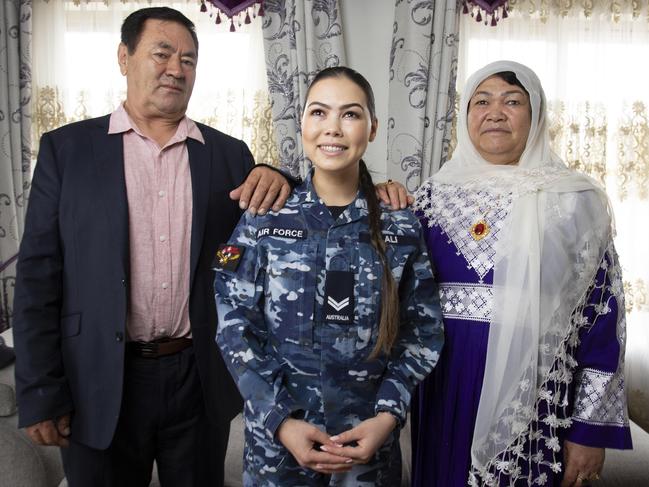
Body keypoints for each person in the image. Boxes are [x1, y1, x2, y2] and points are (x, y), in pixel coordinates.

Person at [12, 7, 299, 487]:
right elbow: (39, 277)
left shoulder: (229, 154)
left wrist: (281, 176)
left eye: (188, 60)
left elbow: (275, 234)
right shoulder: (67, 151)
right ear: (124, 58)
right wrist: (40, 391)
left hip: (197, 376)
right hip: (98, 378)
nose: (176, 69)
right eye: (161, 54)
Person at [213, 66, 444, 486]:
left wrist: (388, 416)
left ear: (372, 128)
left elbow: (421, 332)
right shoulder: (264, 219)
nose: (332, 129)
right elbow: (235, 330)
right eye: (318, 113)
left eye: (351, 115)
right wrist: (281, 420)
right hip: (278, 450)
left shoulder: (401, 227)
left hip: (366, 449)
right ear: (301, 124)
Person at [411, 60, 632, 487]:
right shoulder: (428, 199)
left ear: (536, 116)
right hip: (444, 385)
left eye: (512, 101)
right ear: (465, 116)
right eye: (482, 101)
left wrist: (589, 431)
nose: (495, 112)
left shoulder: (575, 201)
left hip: (535, 393)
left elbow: (602, 319)